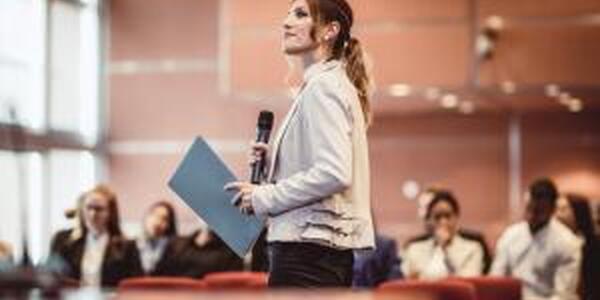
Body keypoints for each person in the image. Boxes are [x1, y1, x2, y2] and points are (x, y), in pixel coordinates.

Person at [224, 0, 375, 288]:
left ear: (330, 30)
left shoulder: (323, 86)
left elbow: (334, 173)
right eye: (288, 13)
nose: (286, 22)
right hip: (314, 254)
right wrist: (275, 164)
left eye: (300, 14)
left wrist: (263, 197)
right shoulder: (326, 83)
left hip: (308, 255)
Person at [490, 178, 581, 300]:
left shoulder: (568, 243)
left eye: (538, 211)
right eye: (529, 209)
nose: (532, 215)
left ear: (552, 209)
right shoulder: (511, 234)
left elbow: (562, 295)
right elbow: (495, 279)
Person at [49, 185, 142, 287]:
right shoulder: (63, 240)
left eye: (99, 209)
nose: (93, 214)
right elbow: (51, 277)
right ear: (82, 210)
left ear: (110, 213)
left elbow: (133, 286)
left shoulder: (127, 247)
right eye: (89, 208)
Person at [405, 187, 493, 274]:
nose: (443, 222)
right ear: (429, 220)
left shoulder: (473, 248)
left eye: (447, 216)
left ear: (456, 217)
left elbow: (467, 281)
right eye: (437, 217)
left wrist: (444, 249)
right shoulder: (414, 249)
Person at [555, 194, 600, 300]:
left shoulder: (594, 245)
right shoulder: (553, 243)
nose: (557, 215)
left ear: (579, 211)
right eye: (555, 209)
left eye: (563, 209)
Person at [136, 201, 179, 276]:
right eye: (154, 215)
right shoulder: (130, 246)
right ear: (146, 217)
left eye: (164, 219)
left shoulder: (174, 250)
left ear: (169, 225)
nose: (157, 222)